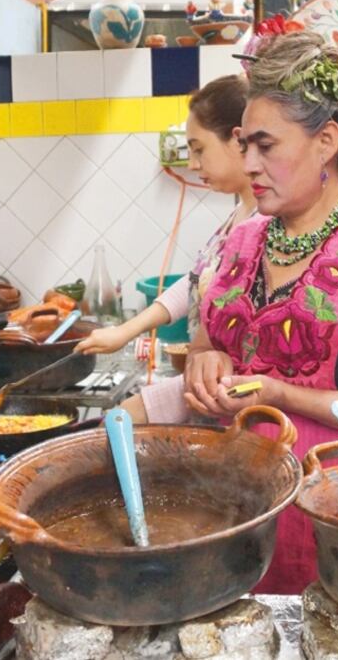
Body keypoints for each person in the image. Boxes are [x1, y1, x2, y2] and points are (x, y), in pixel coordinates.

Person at [183, 30, 338, 595]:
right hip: (239, 508)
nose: (249, 162)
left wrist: (282, 395)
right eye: (243, 144)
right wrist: (203, 360)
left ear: (325, 141)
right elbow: (206, 341)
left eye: (266, 145)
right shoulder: (240, 240)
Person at [74, 75, 257, 422]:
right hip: (207, 391)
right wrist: (125, 331)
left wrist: (148, 406)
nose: (192, 164)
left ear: (239, 140)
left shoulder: (265, 226)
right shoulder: (240, 214)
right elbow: (194, 283)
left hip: (231, 401)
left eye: (199, 148)